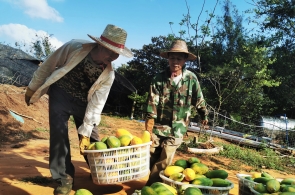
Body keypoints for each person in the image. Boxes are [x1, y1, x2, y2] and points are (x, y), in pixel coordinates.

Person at [24, 24, 133, 195]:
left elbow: (98, 103)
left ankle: (101, 170)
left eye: (116, 54)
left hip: (86, 104)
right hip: (61, 94)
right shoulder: (74, 47)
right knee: (59, 136)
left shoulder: (109, 74)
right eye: (110, 51)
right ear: (99, 45)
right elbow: (49, 64)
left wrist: (86, 129)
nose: (113, 57)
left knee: (94, 139)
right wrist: (33, 87)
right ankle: (64, 178)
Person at [144, 39, 209, 185]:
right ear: (168, 58)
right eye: (172, 58)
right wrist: (149, 123)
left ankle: (151, 187)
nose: (175, 62)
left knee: (165, 158)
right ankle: (157, 182)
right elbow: (151, 101)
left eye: (179, 58)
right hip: (158, 127)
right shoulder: (158, 79)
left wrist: (203, 114)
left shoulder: (191, 79)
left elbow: (199, 99)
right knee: (151, 156)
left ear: (185, 60)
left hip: (178, 129)